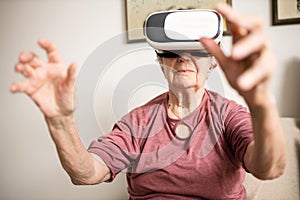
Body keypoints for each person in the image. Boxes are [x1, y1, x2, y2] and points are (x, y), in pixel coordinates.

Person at [10, 3, 286, 200]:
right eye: (172, 51)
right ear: (160, 62)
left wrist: (261, 102)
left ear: (213, 63)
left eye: (196, 50)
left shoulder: (228, 115)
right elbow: (86, 174)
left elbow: (270, 168)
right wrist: (60, 122)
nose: (183, 58)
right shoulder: (137, 122)